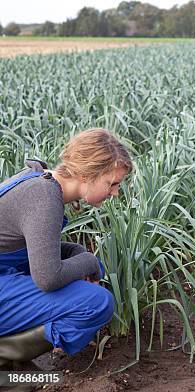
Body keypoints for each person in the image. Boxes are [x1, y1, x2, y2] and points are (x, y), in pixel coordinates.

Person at [0, 128, 132, 371]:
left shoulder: (39, 180)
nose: (115, 193)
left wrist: (75, 252)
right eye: (111, 184)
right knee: (96, 302)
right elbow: (48, 277)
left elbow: (25, 246)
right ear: (87, 174)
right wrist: (91, 262)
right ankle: (5, 361)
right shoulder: (44, 197)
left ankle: (13, 366)